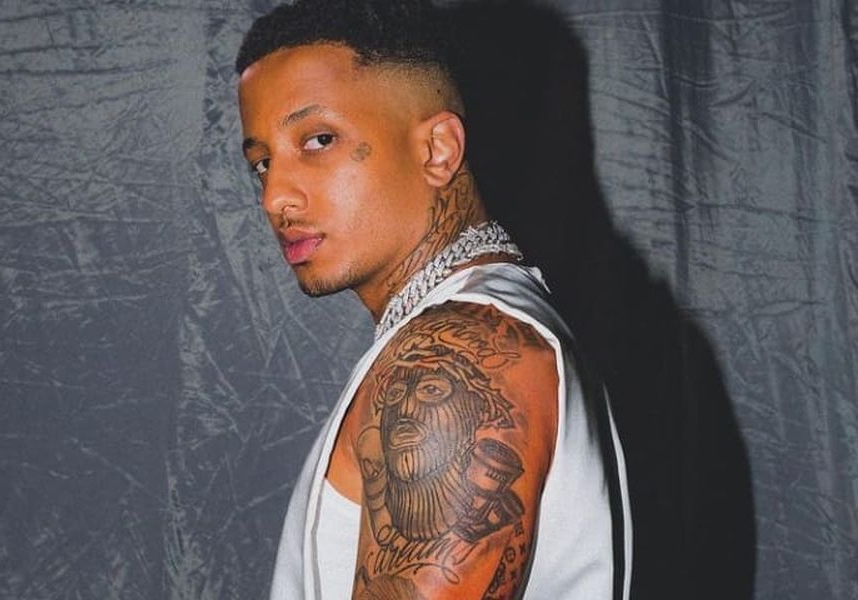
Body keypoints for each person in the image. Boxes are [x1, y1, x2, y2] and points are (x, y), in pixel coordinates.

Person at [235, 1, 631, 598]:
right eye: (262, 162)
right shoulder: (472, 322)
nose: (275, 197)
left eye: (318, 140)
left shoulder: (453, 358)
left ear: (438, 150)